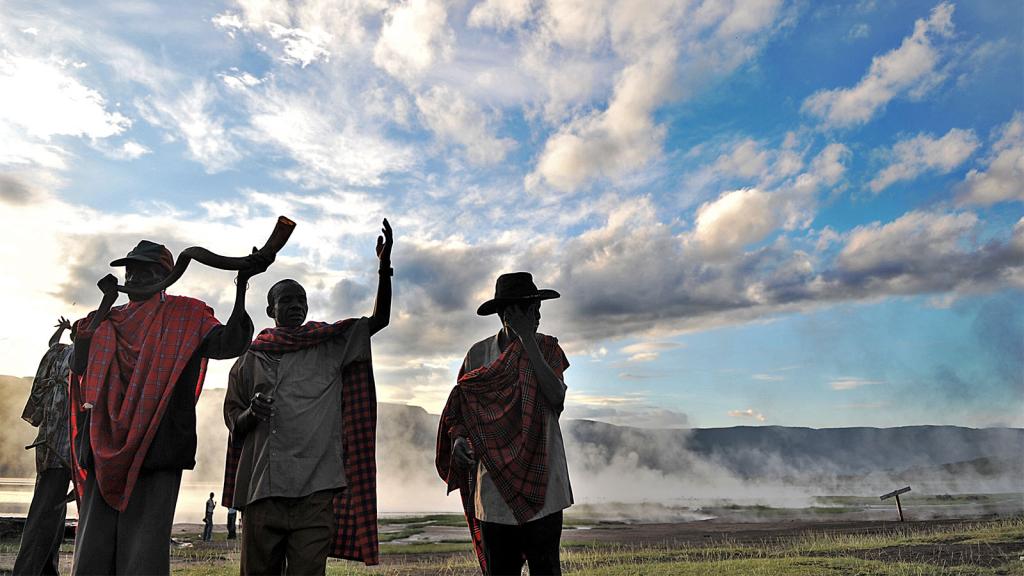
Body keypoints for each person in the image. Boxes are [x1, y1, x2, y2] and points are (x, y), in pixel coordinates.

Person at [69, 239, 271, 575]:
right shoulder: (104, 320)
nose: (133, 278)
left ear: (165, 276)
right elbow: (79, 364)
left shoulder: (186, 316)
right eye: (129, 271)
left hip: (157, 444)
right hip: (102, 445)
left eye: (144, 270)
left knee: (144, 549)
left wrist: (241, 285)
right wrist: (106, 302)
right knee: (94, 546)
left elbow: (231, 343)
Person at [222, 219, 393, 574]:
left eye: (301, 299)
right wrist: (252, 414)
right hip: (262, 492)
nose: (296, 305)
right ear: (271, 310)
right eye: (286, 300)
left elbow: (379, 320)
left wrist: (384, 267)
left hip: (316, 492)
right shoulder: (249, 359)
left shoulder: (328, 346)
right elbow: (234, 424)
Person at [437, 272, 573, 575]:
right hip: (494, 489)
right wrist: (459, 441)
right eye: (527, 309)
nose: (536, 316)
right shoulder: (478, 355)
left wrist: (528, 342)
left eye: (537, 308)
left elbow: (557, 398)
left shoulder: (549, 349)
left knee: (546, 568)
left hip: (545, 486)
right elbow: (459, 412)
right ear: (506, 314)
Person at [13, 318, 76, 575]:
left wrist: (62, 330)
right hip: (58, 446)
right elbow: (54, 345)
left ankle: (47, 569)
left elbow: (53, 344)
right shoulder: (73, 355)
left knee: (52, 507)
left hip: (56, 444)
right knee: (48, 507)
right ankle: (29, 570)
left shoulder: (65, 353)